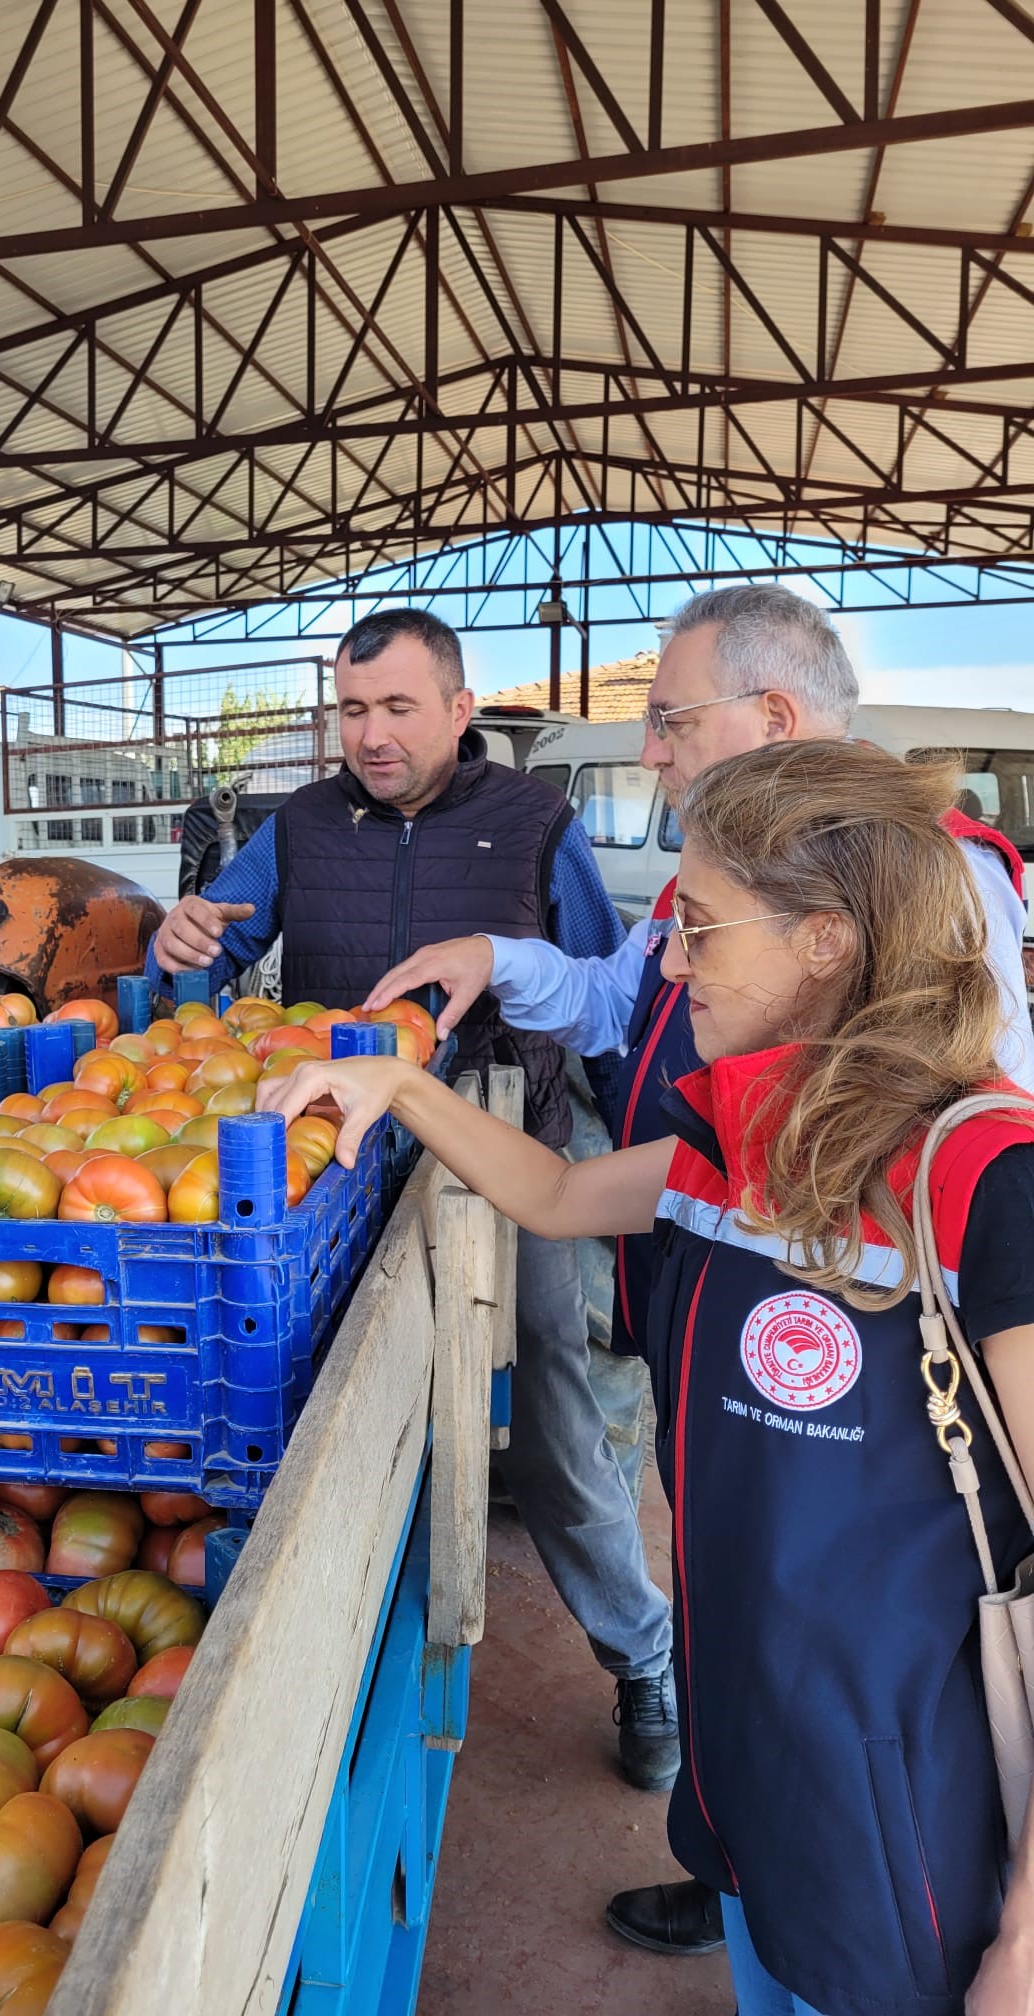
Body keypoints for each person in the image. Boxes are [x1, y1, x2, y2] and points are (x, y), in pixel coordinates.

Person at [261, 737, 1034, 2016]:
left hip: (909, 1804)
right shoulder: (734, 1146)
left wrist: (1025, 1941)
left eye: (701, 931)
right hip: (750, 1757)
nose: (669, 967)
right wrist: (396, 1082)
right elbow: (558, 1192)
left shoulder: (982, 1184)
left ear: (827, 942)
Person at [147, 607, 681, 1789]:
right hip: (331, 1180)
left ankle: (644, 1657)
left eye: (396, 708)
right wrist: (176, 942)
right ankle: (310, 1658)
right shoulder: (299, 826)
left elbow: (605, 1005)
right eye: (352, 711)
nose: (372, 735)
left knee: (551, 1411)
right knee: (323, 1413)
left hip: (509, 1157)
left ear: (457, 709)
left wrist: (646, 1178)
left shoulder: (535, 822)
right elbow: (199, 961)